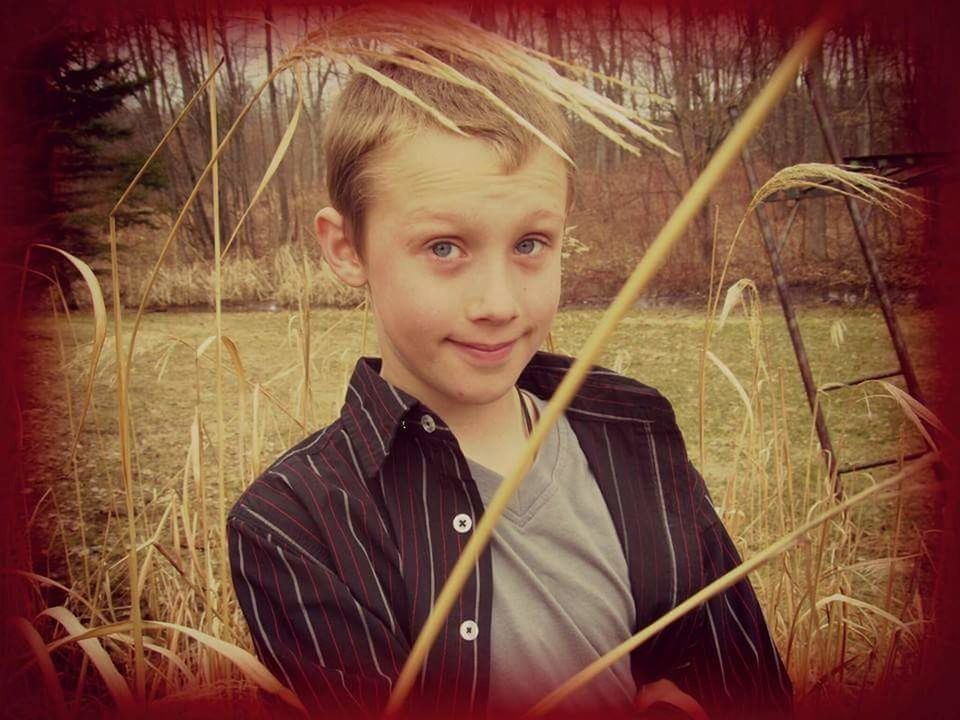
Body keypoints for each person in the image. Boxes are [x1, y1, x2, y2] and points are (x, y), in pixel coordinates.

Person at [227, 46, 792, 720]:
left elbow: (750, 683)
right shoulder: (296, 523)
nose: (499, 303)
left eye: (530, 244)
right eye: (445, 248)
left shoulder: (632, 431)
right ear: (346, 248)